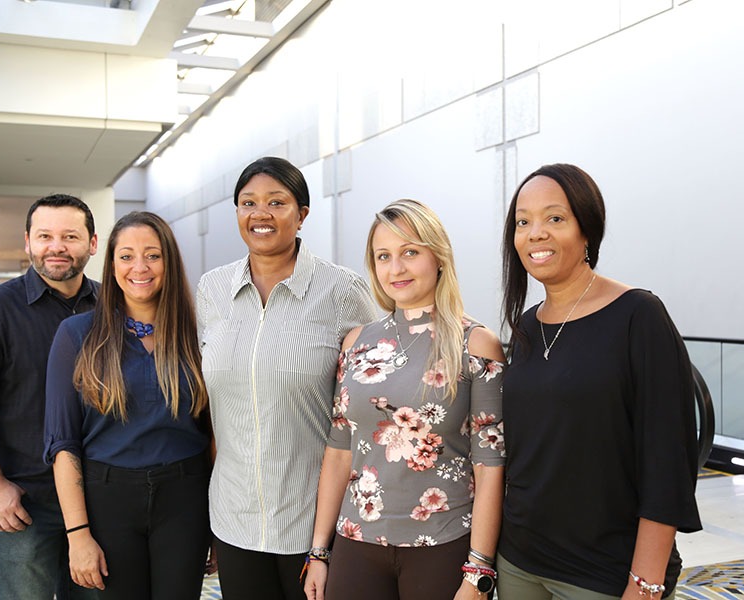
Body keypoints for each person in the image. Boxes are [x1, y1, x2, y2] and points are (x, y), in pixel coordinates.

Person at [498, 163, 702, 600]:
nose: (535, 233)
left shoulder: (638, 316)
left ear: (587, 229)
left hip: (605, 571)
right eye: (523, 221)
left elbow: (668, 460)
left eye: (555, 218)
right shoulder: (525, 329)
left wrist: (645, 584)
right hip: (518, 561)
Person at [303, 199, 507, 600]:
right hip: (356, 542)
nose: (395, 268)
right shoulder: (356, 343)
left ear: (439, 256)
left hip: (443, 545)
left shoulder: (476, 345)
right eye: (383, 256)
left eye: (410, 252)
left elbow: (490, 466)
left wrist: (479, 569)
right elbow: (339, 451)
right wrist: (320, 551)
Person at [196, 156, 377, 600]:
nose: (261, 214)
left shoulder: (341, 291)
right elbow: (214, 410)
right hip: (234, 518)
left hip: (315, 523)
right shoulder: (212, 290)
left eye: (276, 202)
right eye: (248, 203)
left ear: (302, 214)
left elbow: (377, 386)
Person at [0, 194, 99, 599]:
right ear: (28, 242)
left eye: (70, 236)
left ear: (92, 244)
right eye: (45, 236)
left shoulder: (113, 307)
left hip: (103, 498)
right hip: (26, 502)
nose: (57, 247)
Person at [43, 211, 211, 599]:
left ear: (169, 262)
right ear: (111, 263)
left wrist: (220, 526)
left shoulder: (197, 334)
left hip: (185, 497)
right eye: (126, 256)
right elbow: (62, 443)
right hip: (108, 499)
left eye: (153, 255)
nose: (140, 267)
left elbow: (216, 431)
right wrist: (78, 535)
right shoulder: (77, 335)